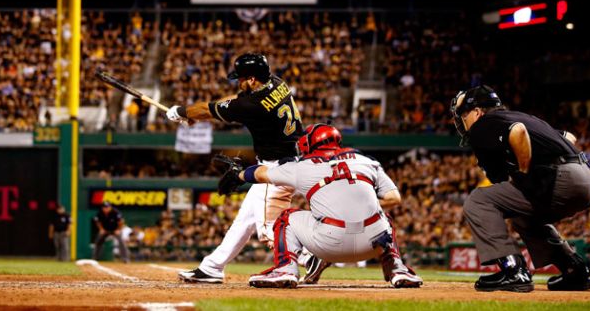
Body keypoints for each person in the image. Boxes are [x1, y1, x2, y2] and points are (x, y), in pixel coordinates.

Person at [222, 123, 423, 288]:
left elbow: (261, 173)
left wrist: (238, 174)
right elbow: (394, 198)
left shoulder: (301, 167)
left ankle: (286, 269)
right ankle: (397, 269)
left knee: (286, 217)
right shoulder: (367, 161)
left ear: (310, 144)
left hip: (329, 245)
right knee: (383, 218)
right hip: (371, 245)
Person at [167, 53, 303, 284]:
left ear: (251, 79)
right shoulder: (277, 83)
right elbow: (232, 103)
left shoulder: (253, 105)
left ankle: (309, 258)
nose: (238, 82)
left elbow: (214, 109)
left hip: (276, 170)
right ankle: (212, 267)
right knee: (244, 220)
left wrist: (182, 112)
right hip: (285, 162)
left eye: (241, 78)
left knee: (270, 229)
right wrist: (195, 116)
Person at [450, 85, 590, 292]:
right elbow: (569, 137)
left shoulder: (484, 124)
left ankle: (513, 270)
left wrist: (524, 172)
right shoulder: (520, 116)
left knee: (478, 201)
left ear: (477, 111)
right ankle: (575, 270)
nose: (461, 121)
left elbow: (517, 131)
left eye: (463, 114)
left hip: (560, 178)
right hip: (585, 178)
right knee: (522, 216)